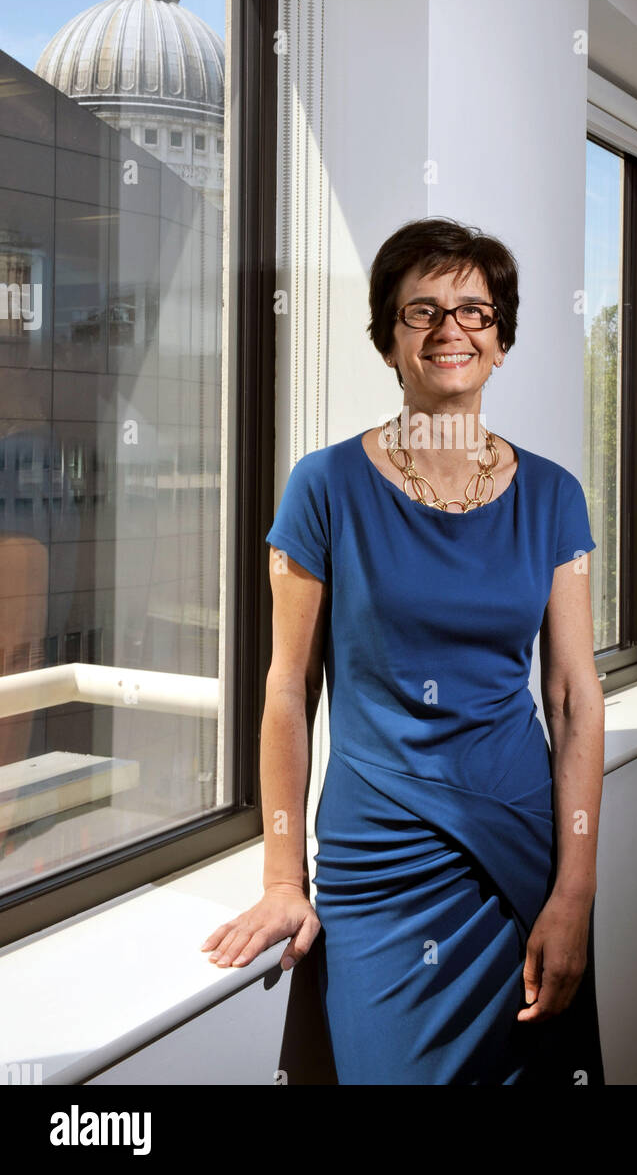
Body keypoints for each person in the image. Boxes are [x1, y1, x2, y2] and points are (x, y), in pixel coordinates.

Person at [201, 216, 606, 1085]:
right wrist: (282, 876)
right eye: (421, 312)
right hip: (378, 855)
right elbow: (284, 689)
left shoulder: (553, 496)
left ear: (501, 341)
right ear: (388, 342)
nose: (449, 330)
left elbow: (573, 698)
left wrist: (574, 891)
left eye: (474, 311)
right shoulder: (324, 486)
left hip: (520, 849)